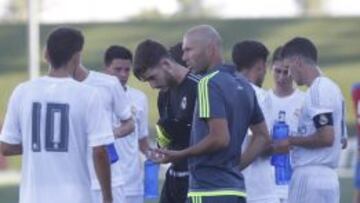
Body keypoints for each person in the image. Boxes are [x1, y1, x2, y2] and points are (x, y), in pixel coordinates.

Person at [152, 25, 269, 203]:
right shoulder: (243, 84)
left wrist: (180, 154)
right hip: (235, 190)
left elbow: (220, 138)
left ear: (210, 48)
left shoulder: (207, 83)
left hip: (208, 190)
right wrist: (235, 167)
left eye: (189, 50)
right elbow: (261, 136)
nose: (184, 57)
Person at [0, 27, 113, 203]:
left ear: (46, 55)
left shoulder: (22, 91)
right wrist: (108, 197)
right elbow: (100, 152)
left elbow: (6, 147)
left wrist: (40, 144)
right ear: (77, 57)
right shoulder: (89, 94)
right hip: (75, 197)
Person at [278, 37, 347, 203]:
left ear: (298, 62)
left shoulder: (318, 90)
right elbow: (342, 141)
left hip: (310, 177)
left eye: (288, 68)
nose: (288, 75)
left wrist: (290, 140)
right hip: (328, 178)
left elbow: (326, 137)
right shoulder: (333, 88)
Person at [133, 39, 200, 203]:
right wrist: (160, 149)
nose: (152, 85)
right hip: (174, 177)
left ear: (166, 64)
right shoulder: (164, 94)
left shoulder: (198, 87)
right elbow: (167, 136)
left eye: (152, 78)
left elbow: (218, 137)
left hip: (198, 179)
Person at [72, 60, 134, 202]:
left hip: (109, 180)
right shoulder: (55, 88)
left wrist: (109, 134)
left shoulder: (108, 83)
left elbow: (129, 123)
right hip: (73, 182)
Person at [232, 40, 279, 203]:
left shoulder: (224, 92)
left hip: (229, 188)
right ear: (260, 65)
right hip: (258, 189)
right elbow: (262, 143)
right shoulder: (260, 96)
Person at [103, 45, 150, 203]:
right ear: (106, 68)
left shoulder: (139, 98)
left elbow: (142, 141)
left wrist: (155, 155)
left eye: (126, 70)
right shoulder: (92, 97)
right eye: (118, 69)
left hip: (132, 185)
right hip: (101, 182)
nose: (123, 74)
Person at [263, 46, 305, 203]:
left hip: (296, 181)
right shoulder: (262, 100)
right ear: (270, 68)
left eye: (286, 72)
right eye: (277, 71)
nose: (281, 78)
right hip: (267, 184)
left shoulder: (304, 101)